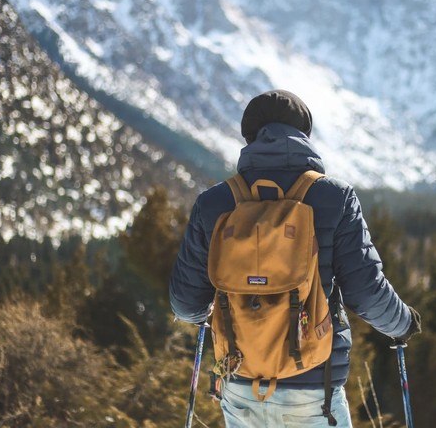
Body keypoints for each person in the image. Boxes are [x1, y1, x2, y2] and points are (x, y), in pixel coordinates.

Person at [170, 89, 421, 427]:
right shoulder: (334, 198)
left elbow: (186, 304)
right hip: (313, 389)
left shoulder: (214, 203)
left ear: (250, 136)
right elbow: (366, 292)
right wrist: (403, 323)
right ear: (304, 134)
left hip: (240, 384)